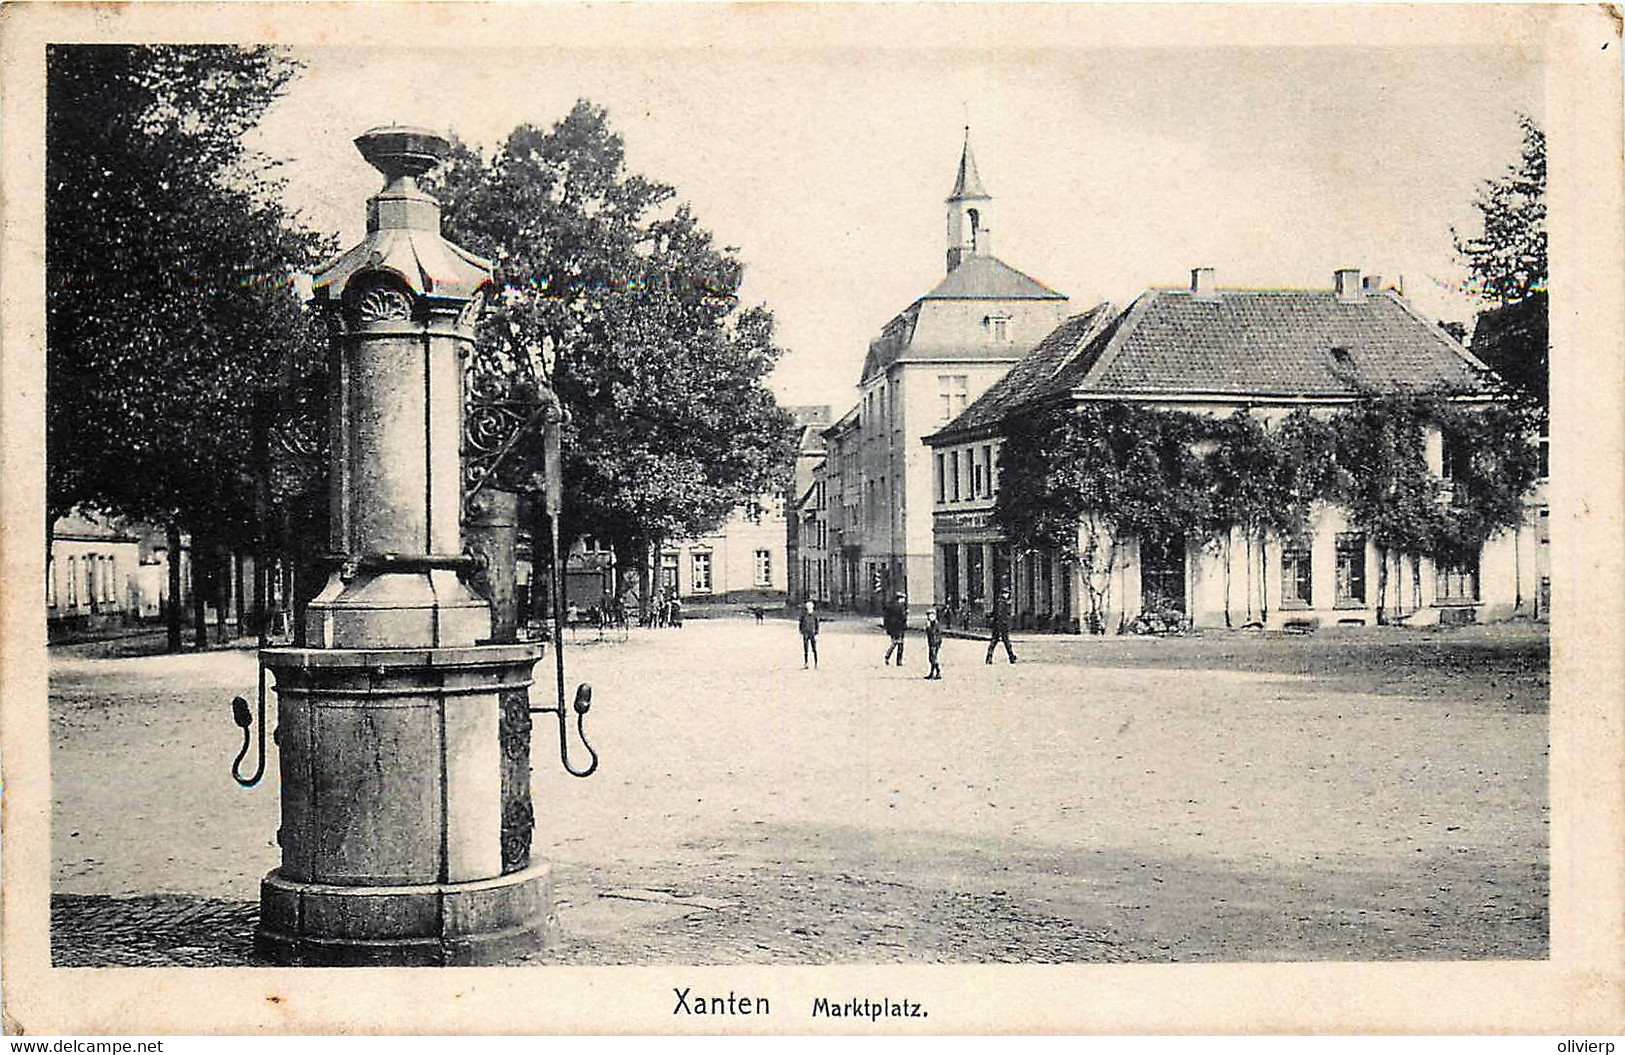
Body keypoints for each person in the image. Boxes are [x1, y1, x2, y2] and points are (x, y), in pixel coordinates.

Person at [985, 589, 1017, 664]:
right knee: (1006, 642)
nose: (1008, 595)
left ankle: (989, 657)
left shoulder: (998, 602)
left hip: (996, 625)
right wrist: (1003, 623)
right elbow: (1000, 615)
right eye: (1007, 593)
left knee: (994, 641)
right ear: (1003, 594)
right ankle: (1011, 657)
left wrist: (990, 615)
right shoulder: (1002, 603)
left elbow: (994, 613)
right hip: (1001, 625)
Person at [882, 591, 908, 665]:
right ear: (900, 599)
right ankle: (898, 660)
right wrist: (905, 614)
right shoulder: (900, 607)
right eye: (903, 598)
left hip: (892, 628)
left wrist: (886, 628)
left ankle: (888, 656)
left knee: (894, 642)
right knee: (900, 644)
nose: (904, 600)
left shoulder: (890, 606)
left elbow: (886, 618)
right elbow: (903, 617)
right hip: (899, 628)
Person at [923, 607, 944, 680]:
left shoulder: (936, 624)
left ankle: (938, 672)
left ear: (934, 616)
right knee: (931, 658)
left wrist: (928, 628)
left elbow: (934, 633)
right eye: (928, 616)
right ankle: (932, 673)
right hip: (931, 643)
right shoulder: (931, 623)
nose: (929, 617)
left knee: (933, 658)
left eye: (931, 616)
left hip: (935, 643)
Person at [799, 600, 820, 669]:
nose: (809, 607)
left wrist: (816, 631)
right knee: (806, 649)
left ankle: (816, 663)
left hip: (812, 632)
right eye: (808, 606)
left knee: (814, 648)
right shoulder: (803, 614)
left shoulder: (814, 614)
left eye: (810, 606)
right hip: (806, 632)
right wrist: (801, 630)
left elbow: (817, 623)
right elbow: (801, 623)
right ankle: (806, 663)